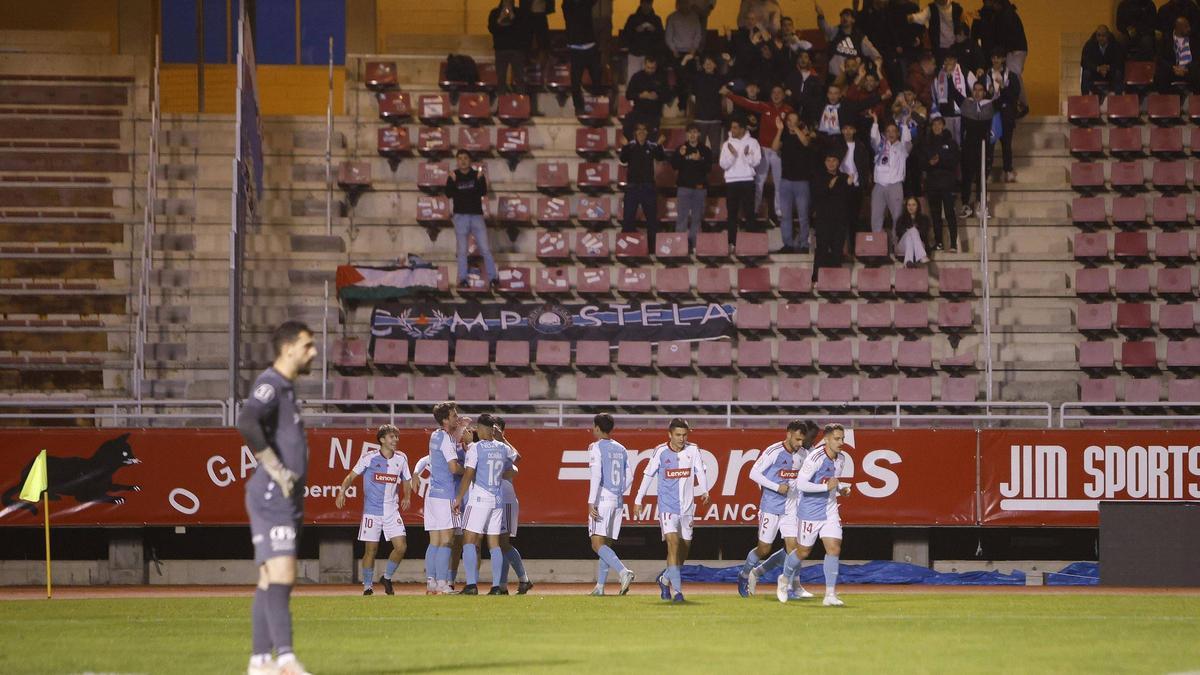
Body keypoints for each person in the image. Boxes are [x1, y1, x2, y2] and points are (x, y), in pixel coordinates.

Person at [239, 321, 318, 675]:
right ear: (288, 348)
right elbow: (247, 421)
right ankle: (285, 660)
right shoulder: (270, 384)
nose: (312, 352)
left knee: (271, 579)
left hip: (287, 498)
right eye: (307, 345)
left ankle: (260, 661)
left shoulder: (285, 387)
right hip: (274, 494)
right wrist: (276, 468)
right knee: (283, 574)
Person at [633, 418, 710, 603]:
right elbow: (647, 475)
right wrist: (638, 500)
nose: (681, 438)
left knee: (684, 549)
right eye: (678, 435)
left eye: (684, 435)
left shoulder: (693, 450)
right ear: (669, 434)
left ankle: (665, 579)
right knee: (673, 544)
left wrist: (705, 490)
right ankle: (678, 592)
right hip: (667, 507)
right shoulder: (660, 451)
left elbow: (700, 470)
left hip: (687, 508)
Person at [777, 423, 853, 607]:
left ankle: (830, 594)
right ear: (826, 439)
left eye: (842, 438)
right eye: (837, 438)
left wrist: (841, 488)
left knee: (834, 548)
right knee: (803, 551)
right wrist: (825, 487)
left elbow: (831, 482)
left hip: (830, 508)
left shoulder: (841, 459)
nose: (841, 442)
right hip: (810, 511)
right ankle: (784, 579)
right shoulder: (814, 458)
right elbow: (801, 484)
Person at [334, 424, 414, 596]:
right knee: (371, 550)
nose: (396, 440)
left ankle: (387, 577)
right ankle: (368, 586)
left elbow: (407, 480)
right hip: (372, 511)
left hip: (392, 510)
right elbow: (351, 476)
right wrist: (342, 492)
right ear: (382, 439)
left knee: (401, 547)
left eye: (397, 437)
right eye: (392, 437)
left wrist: (407, 496)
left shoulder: (401, 459)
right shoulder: (369, 457)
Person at [737, 419, 812, 599]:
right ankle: (745, 574)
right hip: (770, 507)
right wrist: (775, 486)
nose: (799, 444)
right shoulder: (774, 452)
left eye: (802, 440)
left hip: (791, 508)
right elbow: (753, 473)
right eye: (797, 439)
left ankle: (792, 587)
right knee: (763, 549)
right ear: (788, 434)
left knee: (794, 548)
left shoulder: (804, 454)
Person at [452, 413, 521, 595]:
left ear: (482, 428)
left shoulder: (475, 448)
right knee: (494, 543)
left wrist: (458, 499)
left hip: (479, 499)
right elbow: (516, 458)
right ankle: (497, 586)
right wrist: (502, 438)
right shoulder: (502, 448)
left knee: (469, 540)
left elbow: (468, 475)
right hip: (497, 500)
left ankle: (471, 585)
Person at [724, 83, 793, 221]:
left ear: (784, 95)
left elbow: (794, 126)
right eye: (774, 92)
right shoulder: (764, 106)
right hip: (763, 150)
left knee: (779, 182)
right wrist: (729, 95)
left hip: (779, 151)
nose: (776, 95)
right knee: (759, 181)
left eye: (779, 92)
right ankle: (754, 210)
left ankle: (779, 212)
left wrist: (784, 142)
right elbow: (746, 102)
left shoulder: (789, 110)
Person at [586, 413, 636, 596]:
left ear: (598, 428)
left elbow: (597, 475)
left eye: (594, 426)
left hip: (602, 499)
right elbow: (630, 476)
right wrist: (618, 491)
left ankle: (623, 572)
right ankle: (600, 587)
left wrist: (592, 501)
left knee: (596, 544)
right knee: (606, 544)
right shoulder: (621, 448)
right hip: (617, 501)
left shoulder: (595, 447)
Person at [424, 401, 468, 594]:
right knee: (447, 540)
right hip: (445, 495)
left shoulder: (435, 435)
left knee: (434, 540)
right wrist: (467, 471)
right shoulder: (446, 439)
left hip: (432, 494)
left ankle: (431, 582)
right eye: (453, 415)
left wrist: (460, 427)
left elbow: (450, 439)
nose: (456, 417)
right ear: (444, 419)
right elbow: (453, 467)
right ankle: (443, 584)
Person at [492, 417, 533, 595]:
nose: (493, 431)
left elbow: (518, 458)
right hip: (493, 500)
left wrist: (502, 439)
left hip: (506, 500)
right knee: (499, 544)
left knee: (503, 542)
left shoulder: (504, 448)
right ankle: (501, 585)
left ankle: (524, 579)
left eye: (497, 429)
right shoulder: (487, 448)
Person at [446, 150, 497, 290]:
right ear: (457, 161)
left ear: (470, 160)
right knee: (462, 250)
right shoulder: (453, 175)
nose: (463, 161)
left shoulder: (476, 175)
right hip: (460, 217)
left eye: (465, 158)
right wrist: (452, 181)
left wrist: (481, 179)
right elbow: (448, 194)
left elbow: (483, 192)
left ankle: (493, 278)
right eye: (460, 158)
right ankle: (462, 279)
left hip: (476, 216)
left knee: (485, 249)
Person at [773, 112, 819, 253]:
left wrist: (797, 129)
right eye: (789, 120)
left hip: (802, 182)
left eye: (794, 120)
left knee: (803, 215)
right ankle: (788, 243)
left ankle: (804, 243)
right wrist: (780, 130)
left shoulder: (805, 135)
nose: (791, 123)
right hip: (786, 181)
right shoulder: (784, 135)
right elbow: (774, 148)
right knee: (785, 215)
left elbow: (805, 143)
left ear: (799, 122)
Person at [869, 111, 913, 246]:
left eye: (894, 131)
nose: (891, 133)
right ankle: (877, 247)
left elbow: (907, 141)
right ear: (885, 133)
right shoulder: (880, 147)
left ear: (898, 133)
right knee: (876, 217)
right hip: (879, 186)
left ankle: (897, 245)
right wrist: (875, 121)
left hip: (895, 185)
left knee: (897, 217)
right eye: (888, 131)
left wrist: (905, 125)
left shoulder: (902, 148)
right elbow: (873, 139)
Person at [618, 122, 667, 243]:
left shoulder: (651, 146)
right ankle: (629, 248)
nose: (641, 132)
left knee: (652, 221)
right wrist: (624, 146)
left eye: (644, 130)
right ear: (635, 133)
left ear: (647, 133)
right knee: (628, 219)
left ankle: (652, 249)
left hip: (648, 188)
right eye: (639, 130)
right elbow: (623, 159)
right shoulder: (630, 146)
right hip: (632, 188)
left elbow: (660, 157)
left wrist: (660, 145)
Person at [720, 118, 763, 247]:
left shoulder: (753, 142)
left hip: (747, 181)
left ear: (743, 129)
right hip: (731, 182)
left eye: (735, 127)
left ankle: (751, 244)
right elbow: (723, 165)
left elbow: (756, 162)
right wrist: (733, 155)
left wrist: (747, 155)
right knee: (732, 214)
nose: (732, 130)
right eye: (732, 127)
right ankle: (732, 243)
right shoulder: (727, 144)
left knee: (750, 213)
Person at [921, 114, 960, 252]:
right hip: (932, 184)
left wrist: (940, 161)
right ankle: (939, 242)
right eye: (934, 124)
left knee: (950, 214)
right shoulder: (927, 144)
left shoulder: (951, 143)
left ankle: (953, 244)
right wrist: (929, 163)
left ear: (943, 126)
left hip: (947, 183)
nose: (937, 127)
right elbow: (922, 164)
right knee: (935, 215)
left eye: (939, 124)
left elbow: (955, 161)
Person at [811, 152, 853, 282]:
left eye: (834, 160)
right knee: (821, 250)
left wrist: (850, 185)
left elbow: (850, 199)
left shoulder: (844, 177)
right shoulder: (819, 177)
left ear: (838, 162)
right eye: (828, 160)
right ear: (825, 163)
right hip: (823, 220)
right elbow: (817, 195)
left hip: (839, 221)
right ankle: (816, 280)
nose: (831, 163)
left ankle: (836, 281)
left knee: (837, 252)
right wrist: (829, 186)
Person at [671, 124, 714, 250]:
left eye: (695, 132)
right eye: (690, 132)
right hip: (684, 189)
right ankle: (679, 246)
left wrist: (700, 159)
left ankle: (694, 245)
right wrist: (679, 155)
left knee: (696, 218)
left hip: (699, 189)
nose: (692, 135)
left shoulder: (705, 150)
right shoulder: (681, 148)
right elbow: (674, 166)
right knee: (681, 218)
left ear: (699, 134)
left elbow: (708, 168)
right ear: (687, 134)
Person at [816, 3, 883, 80]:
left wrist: (878, 60)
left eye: (847, 15)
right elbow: (824, 28)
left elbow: (873, 53)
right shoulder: (835, 31)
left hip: (854, 78)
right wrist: (820, 15)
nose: (844, 18)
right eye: (842, 16)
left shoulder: (860, 37)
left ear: (853, 20)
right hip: (835, 76)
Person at [983, 48, 1021, 183]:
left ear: (1003, 59)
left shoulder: (1011, 76)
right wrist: (989, 93)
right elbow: (981, 95)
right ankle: (986, 173)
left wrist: (1004, 87)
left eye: (998, 57)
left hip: (1006, 114)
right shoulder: (986, 75)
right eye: (993, 57)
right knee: (989, 145)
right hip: (991, 114)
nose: (995, 60)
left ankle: (1008, 170)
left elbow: (1014, 96)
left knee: (1006, 144)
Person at [835, 119, 872, 257]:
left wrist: (861, 183)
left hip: (856, 187)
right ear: (842, 131)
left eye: (851, 129)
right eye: (845, 129)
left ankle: (853, 248)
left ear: (854, 130)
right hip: (842, 187)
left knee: (853, 219)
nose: (848, 131)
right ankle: (840, 249)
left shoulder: (860, 146)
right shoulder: (837, 146)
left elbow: (864, 166)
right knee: (841, 219)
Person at [960, 80, 996, 218]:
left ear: (984, 92)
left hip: (983, 146)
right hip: (968, 145)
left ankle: (981, 205)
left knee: (982, 176)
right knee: (967, 177)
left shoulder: (989, 106)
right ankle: (966, 205)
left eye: (980, 90)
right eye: (975, 89)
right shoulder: (966, 105)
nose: (977, 92)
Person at [563, 0, 603, 115]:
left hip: (589, 45)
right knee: (575, 81)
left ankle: (598, 103)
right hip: (576, 47)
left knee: (597, 76)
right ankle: (579, 107)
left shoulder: (584, 3)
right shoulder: (568, 5)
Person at [489, 0, 530, 96]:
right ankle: (501, 104)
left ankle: (521, 103)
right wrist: (500, 19)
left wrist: (513, 18)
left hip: (516, 49)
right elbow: (492, 28)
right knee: (501, 78)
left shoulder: (520, 13)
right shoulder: (495, 13)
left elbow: (524, 30)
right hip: (501, 49)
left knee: (519, 78)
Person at [687, 53, 726, 152]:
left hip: (715, 120)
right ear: (703, 65)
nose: (708, 65)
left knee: (715, 151)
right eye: (706, 63)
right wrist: (685, 61)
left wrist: (729, 62)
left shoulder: (720, 78)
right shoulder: (697, 78)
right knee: (698, 150)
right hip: (700, 119)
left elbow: (731, 81)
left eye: (711, 63)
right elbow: (692, 96)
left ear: (715, 65)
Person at [993, 0, 1028, 109]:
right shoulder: (1009, 14)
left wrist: (1005, 50)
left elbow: (1007, 36)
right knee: (1012, 75)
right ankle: (1018, 103)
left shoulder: (1006, 16)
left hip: (1015, 50)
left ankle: (1022, 103)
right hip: (1015, 50)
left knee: (1013, 76)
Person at [907, 0, 966, 65]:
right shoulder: (931, 8)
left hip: (955, 47)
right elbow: (921, 17)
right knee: (939, 69)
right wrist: (912, 17)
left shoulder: (956, 7)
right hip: (938, 48)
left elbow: (963, 22)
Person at [625, 55, 670, 139]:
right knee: (628, 121)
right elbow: (628, 95)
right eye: (648, 67)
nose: (650, 70)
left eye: (653, 68)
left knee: (651, 136)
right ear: (644, 65)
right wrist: (640, 95)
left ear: (656, 66)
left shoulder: (661, 77)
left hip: (654, 113)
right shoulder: (637, 77)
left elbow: (668, 97)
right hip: (638, 111)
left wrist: (657, 96)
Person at [621, 0, 665, 80]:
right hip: (635, 53)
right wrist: (636, 30)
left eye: (649, 3)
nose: (646, 6)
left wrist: (654, 30)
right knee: (633, 78)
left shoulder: (656, 19)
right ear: (641, 4)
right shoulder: (632, 18)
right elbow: (625, 35)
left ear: (652, 4)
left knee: (650, 80)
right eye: (645, 3)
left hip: (651, 54)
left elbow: (661, 37)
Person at [1156, 16, 1200, 94]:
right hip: (1172, 70)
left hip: (1190, 71)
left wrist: (1187, 69)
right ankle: (1165, 102)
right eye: (1186, 27)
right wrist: (1173, 68)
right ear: (1178, 28)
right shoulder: (1166, 39)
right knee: (1161, 72)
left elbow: (1197, 58)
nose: (1189, 29)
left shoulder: (1195, 39)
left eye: (1189, 26)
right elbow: (1160, 58)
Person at [931, 52, 968, 143]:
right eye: (946, 60)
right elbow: (934, 95)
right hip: (946, 114)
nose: (948, 62)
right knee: (948, 140)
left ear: (956, 60)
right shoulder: (938, 75)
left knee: (961, 141)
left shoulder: (964, 71)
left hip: (962, 113)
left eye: (951, 59)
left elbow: (974, 87)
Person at [1081, 26, 1125, 100]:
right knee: (1086, 73)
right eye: (1099, 35)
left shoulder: (1116, 45)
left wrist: (1108, 67)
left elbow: (1120, 62)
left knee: (1118, 74)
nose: (1101, 38)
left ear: (1108, 35)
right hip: (1095, 73)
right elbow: (1084, 62)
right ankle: (1085, 100)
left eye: (1103, 35)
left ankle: (1118, 101)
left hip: (1110, 73)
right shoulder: (1089, 45)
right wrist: (1097, 68)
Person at [785, 50, 826, 123]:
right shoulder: (791, 76)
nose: (803, 60)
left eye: (806, 57)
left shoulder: (815, 79)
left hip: (808, 116)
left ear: (809, 60)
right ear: (797, 59)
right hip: (791, 115)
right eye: (801, 57)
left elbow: (817, 100)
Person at [520, 0, 556, 69]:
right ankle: (527, 59)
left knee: (542, 39)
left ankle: (542, 60)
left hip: (539, 14)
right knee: (528, 38)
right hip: (531, 14)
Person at [895, 196, 931, 265]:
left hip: (920, 244)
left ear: (918, 206)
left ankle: (908, 261)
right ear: (906, 206)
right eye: (909, 205)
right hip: (903, 246)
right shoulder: (901, 219)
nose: (911, 207)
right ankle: (922, 256)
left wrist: (913, 232)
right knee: (912, 231)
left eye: (914, 205)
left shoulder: (924, 219)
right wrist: (910, 232)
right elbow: (899, 232)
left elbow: (924, 234)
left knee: (912, 232)